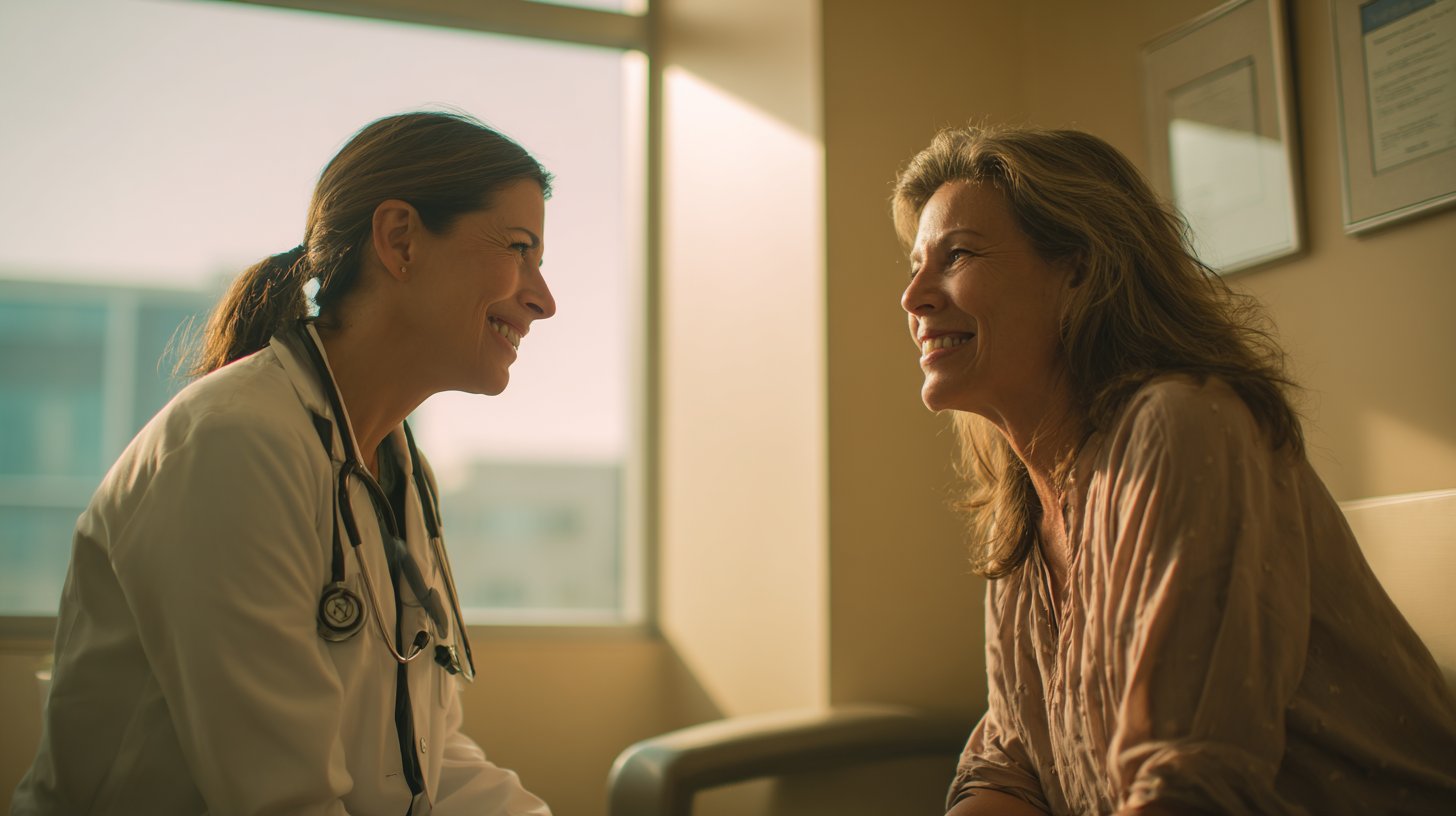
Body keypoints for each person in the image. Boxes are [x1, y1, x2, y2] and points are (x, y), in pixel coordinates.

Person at [892, 125, 1456, 815]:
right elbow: (1010, 770)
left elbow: (1186, 786)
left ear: (1079, 270)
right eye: (916, 264)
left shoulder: (1183, 427)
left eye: (958, 255)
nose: (913, 296)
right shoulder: (1025, 518)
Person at [13, 111, 556, 815]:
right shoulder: (233, 446)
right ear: (400, 240)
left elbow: (426, 758)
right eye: (520, 248)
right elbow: (282, 801)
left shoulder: (397, 474)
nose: (543, 299)